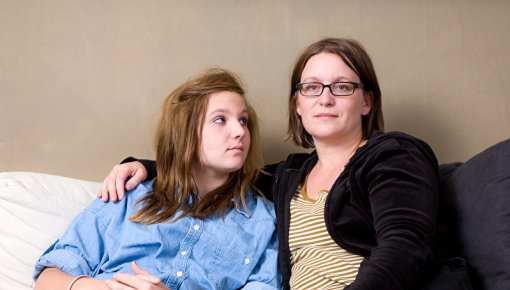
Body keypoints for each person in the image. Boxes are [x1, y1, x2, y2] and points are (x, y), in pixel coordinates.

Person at [99, 38, 465, 289]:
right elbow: (224, 173)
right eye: (311, 87)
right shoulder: (291, 175)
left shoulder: (394, 155)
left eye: (342, 86)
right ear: (297, 105)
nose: (325, 98)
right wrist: (149, 166)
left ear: (366, 102)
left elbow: (404, 247)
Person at [33, 68, 281, 290]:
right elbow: (47, 278)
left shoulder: (264, 223)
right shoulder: (129, 194)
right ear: (185, 133)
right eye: (220, 120)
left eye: (243, 121)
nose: (240, 131)